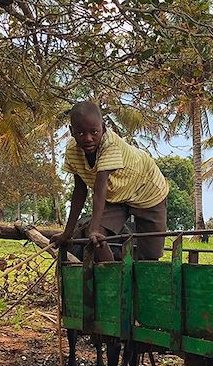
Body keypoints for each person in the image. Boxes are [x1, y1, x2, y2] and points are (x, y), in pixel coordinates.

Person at [50, 101, 169, 260]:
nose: (88, 138)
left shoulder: (110, 145)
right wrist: (67, 233)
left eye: (94, 132)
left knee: (150, 256)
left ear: (104, 128)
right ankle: (112, 281)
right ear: (72, 131)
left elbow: (100, 189)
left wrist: (93, 230)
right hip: (116, 195)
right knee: (98, 237)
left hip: (147, 192)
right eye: (80, 134)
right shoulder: (73, 150)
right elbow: (79, 191)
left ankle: (138, 280)